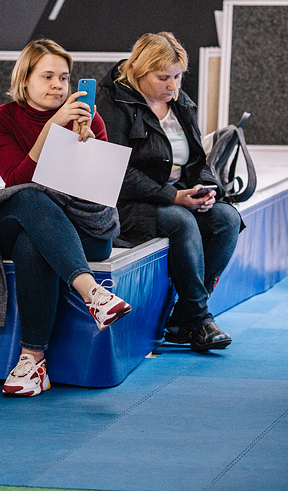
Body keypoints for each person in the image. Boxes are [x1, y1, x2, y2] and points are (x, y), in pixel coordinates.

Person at [0, 39, 132, 397]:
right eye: (47, 76)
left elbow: (99, 197)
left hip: (82, 228)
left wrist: (86, 147)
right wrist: (52, 129)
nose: (58, 86)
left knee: (33, 244)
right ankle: (91, 292)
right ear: (25, 79)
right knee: (30, 197)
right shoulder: (0, 118)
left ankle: (33, 361)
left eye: (64, 78)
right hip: (20, 214)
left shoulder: (89, 117)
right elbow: (16, 181)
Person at [96, 32, 242, 353]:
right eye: (163, 77)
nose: (173, 85)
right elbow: (117, 172)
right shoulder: (112, 102)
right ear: (140, 71)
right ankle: (199, 319)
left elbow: (197, 161)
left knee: (227, 219)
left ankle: (182, 319)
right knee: (181, 221)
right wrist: (172, 196)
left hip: (174, 195)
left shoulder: (180, 101)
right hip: (125, 204)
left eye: (177, 76)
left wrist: (206, 188)